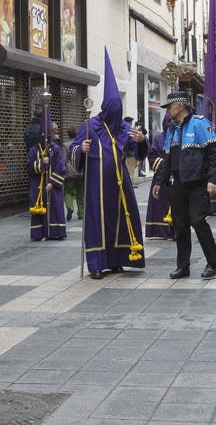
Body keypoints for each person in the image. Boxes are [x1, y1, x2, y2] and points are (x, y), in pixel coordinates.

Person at [70, 50, 148, 279]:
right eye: (111, 108)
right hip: (96, 184)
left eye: (118, 109)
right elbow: (73, 152)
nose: (115, 113)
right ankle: (96, 263)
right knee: (97, 221)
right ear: (105, 108)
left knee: (121, 218)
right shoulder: (90, 125)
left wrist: (142, 141)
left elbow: (138, 152)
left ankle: (117, 259)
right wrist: (80, 150)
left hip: (120, 183)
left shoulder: (124, 128)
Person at [152, 92, 216, 279]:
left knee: (198, 220)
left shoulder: (200, 124)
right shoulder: (172, 129)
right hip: (178, 184)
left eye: (170, 107)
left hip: (198, 183)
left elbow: (215, 155)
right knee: (180, 225)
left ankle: (214, 263)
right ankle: (183, 266)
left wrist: (212, 180)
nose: (168, 111)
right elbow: (167, 160)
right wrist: (159, 181)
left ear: (180, 106)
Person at [27, 114, 67, 241]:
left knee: (54, 207)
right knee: (39, 207)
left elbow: (61, 168)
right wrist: (40, 163)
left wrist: (51, 183)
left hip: (53, 186)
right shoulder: (34, 150)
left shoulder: (56, 149)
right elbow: (28, 167)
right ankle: (40, 233)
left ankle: (55, 232)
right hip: (38, 185)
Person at [145, 116, 174, 240]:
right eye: (168, 123)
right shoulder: (159, 138)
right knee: (160, 206)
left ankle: (175, 231)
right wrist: (166, 166)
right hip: (161, 179)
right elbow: (152, 157)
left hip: (177, 178)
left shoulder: (181, 136)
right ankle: (161, 231)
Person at [62, 126, 84, 221]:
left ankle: (70, 206)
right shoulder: (80, 144)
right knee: (81, 194)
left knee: (68, 191)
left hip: (70, 172)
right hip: (80, 171)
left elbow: (63, 160)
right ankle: (81, 213)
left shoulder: (65, 145)